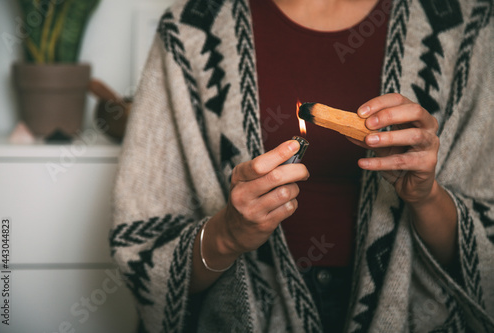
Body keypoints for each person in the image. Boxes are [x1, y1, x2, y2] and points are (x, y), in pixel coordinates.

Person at [109, 0, 494, 332]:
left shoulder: (464, 25)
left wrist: (426, 197)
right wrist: (228, 234)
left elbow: (486, 258)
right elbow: (145, 254)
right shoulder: (192, 27)